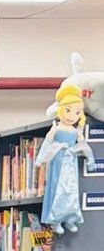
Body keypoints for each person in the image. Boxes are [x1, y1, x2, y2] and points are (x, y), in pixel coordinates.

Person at [37, 83, 97, 234]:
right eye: (68, 110)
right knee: (57, 189)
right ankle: (55, 219)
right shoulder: (56, 129)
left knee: (71, 190)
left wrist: (91, 160)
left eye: (77, 112)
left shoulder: (76, 132)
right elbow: (47, 142)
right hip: (58, 160)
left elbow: (83, 146)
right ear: (61, 110)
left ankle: (70, 218)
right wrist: (40, 159)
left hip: (70, 160)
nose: (72, 116)